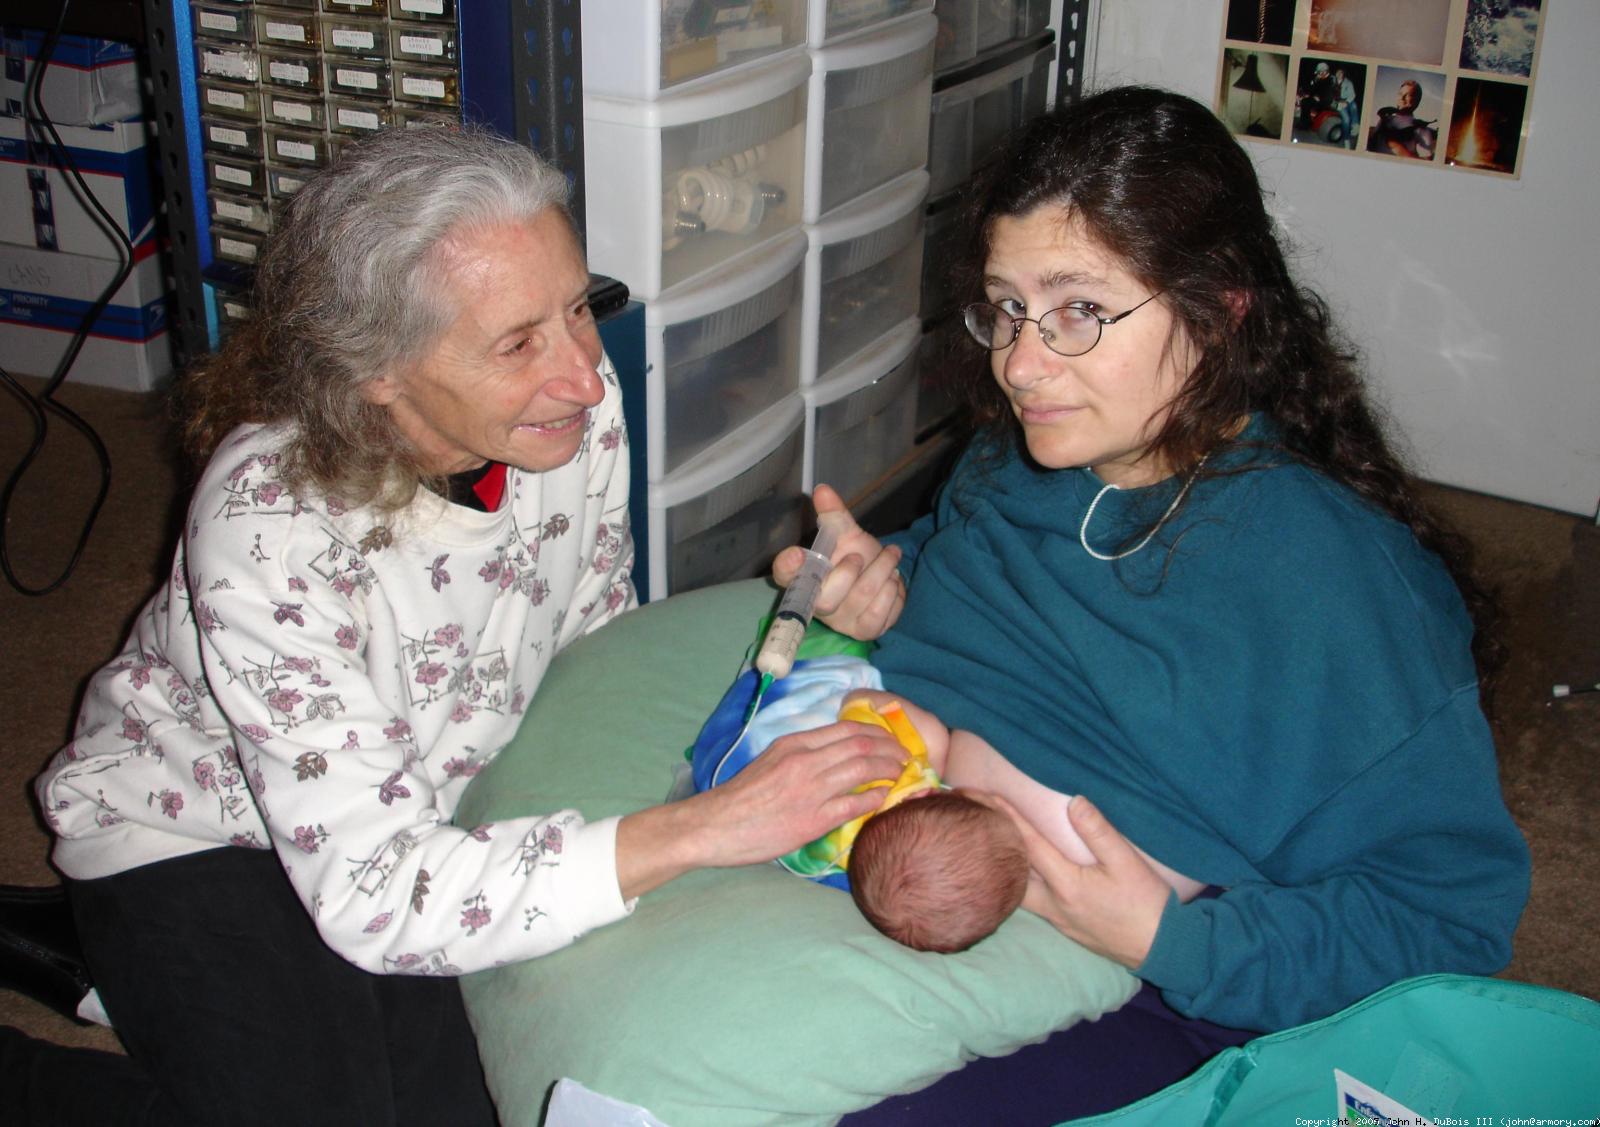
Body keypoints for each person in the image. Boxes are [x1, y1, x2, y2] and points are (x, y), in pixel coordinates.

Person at [0, 124, 906, 1126]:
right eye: (519, 340)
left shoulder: (566, 417)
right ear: (373, 368)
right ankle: (89, 976)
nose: (584, 374)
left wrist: (819, 624)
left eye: (577, 308)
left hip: (432, 809)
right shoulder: (271, 529)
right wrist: (693, 830)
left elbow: (589, 649)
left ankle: (113, 968)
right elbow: (377, 889)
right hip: (204, 828)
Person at [770, 86, 1530, 1122]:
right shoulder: (1019, 455)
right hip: (889, 824)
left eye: (1079, 310)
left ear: (1221, 309)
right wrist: (879, 583)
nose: (1022, 362)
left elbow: (1444, 925)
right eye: (1007, 307)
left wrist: (1166, 942)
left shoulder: (1339, 590)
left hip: (1149, 980)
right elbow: (958, 561)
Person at [688, 652, 1203, 953]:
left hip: (788, 721)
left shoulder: (908, 764)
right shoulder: (841, 861)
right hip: (734, 763)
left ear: (936, 791)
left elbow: (862, 704)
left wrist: (891, 717)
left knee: (926, 729)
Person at [1367, 79, 1437, 159]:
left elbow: (1426, 162)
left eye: (1408, 95)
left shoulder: (1420, 128)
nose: (1402, 98)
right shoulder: (1385, 118)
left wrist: (1396, 147)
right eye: (1400, 94)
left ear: (1417, 100)